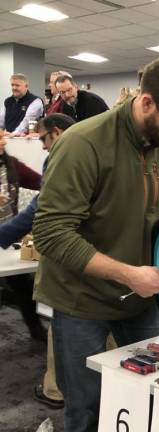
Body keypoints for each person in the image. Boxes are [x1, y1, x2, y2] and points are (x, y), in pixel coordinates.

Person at [32, 56, 159, 432]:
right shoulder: (83, 144)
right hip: (80, 300)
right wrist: (128, 273)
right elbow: (51, 232)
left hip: (140, 298)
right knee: (86, 407)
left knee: (150, 393)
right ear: (147, 103)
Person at [0, 113, 75, 409]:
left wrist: (5, 234)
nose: (42, 146)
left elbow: (43, 196)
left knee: (60, 318)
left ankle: (56, 389)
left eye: (43, 138)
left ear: (55, 133)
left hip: (61, 256)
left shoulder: (22, 164)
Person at [0, 133, 44, 343]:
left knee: (22, 286)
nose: (4, 140)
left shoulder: (12, 165)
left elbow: (43, 183)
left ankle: (36, 330)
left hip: (9, 237)